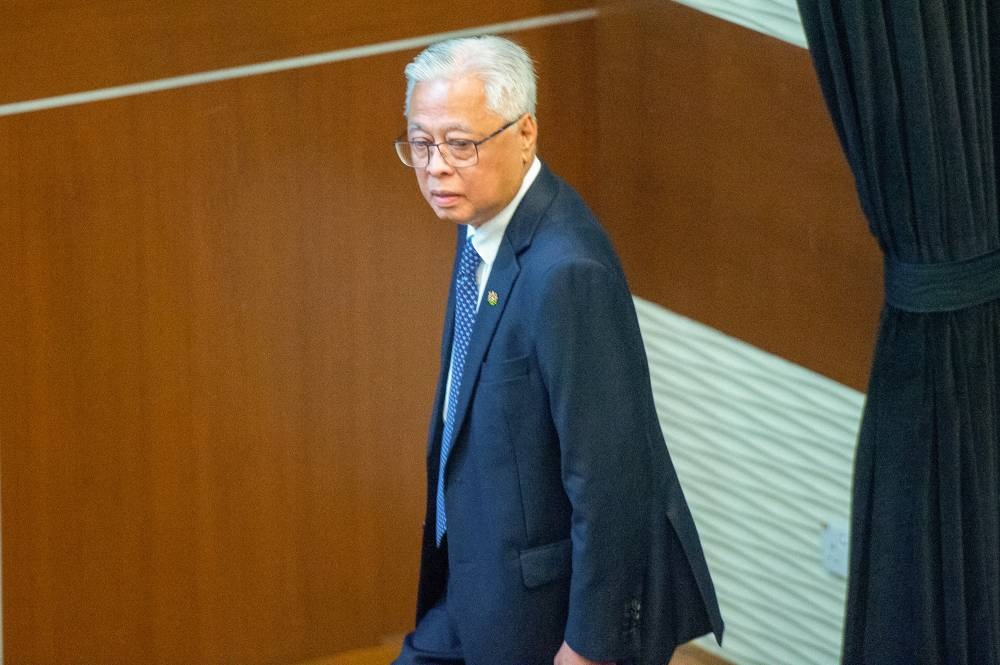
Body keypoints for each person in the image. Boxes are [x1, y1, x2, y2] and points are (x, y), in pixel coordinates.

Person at [391, 35, 724, 665]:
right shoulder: (483, 222)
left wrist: (588, 649)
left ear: (525, 133)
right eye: (420, 142)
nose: (436, 166)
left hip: (541, 617)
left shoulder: (566, 271)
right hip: (473, 584)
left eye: (460, 143)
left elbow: (612, 482)